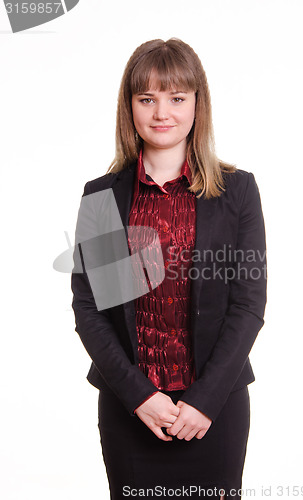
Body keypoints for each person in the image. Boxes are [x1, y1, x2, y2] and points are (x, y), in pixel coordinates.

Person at [71, 38, 267, 500]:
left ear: (198, 104)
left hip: (214, 411)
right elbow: (91, 310)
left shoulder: (236, 192)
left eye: (177, 98)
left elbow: (247, 306)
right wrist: (140, 395)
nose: (163, 112)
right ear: (130, 107)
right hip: (130, 409)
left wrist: (203, 401)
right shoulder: (104, 196)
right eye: (148, 99)